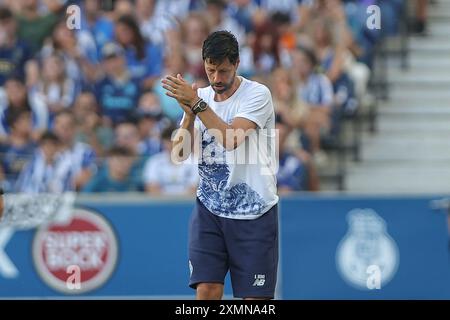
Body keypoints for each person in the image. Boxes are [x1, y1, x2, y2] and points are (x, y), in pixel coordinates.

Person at [162, 30, 279, 300]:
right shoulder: (198, 97)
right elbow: (178, 155)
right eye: (211, 70)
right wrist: (189, 117)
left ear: (237, 64)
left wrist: (197, 105)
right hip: (210, 209)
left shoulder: (257, 94)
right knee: (207, 289)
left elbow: (230, 139)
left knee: (255, 300)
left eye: (223, 71)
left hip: (255, 212)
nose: (216, 78)